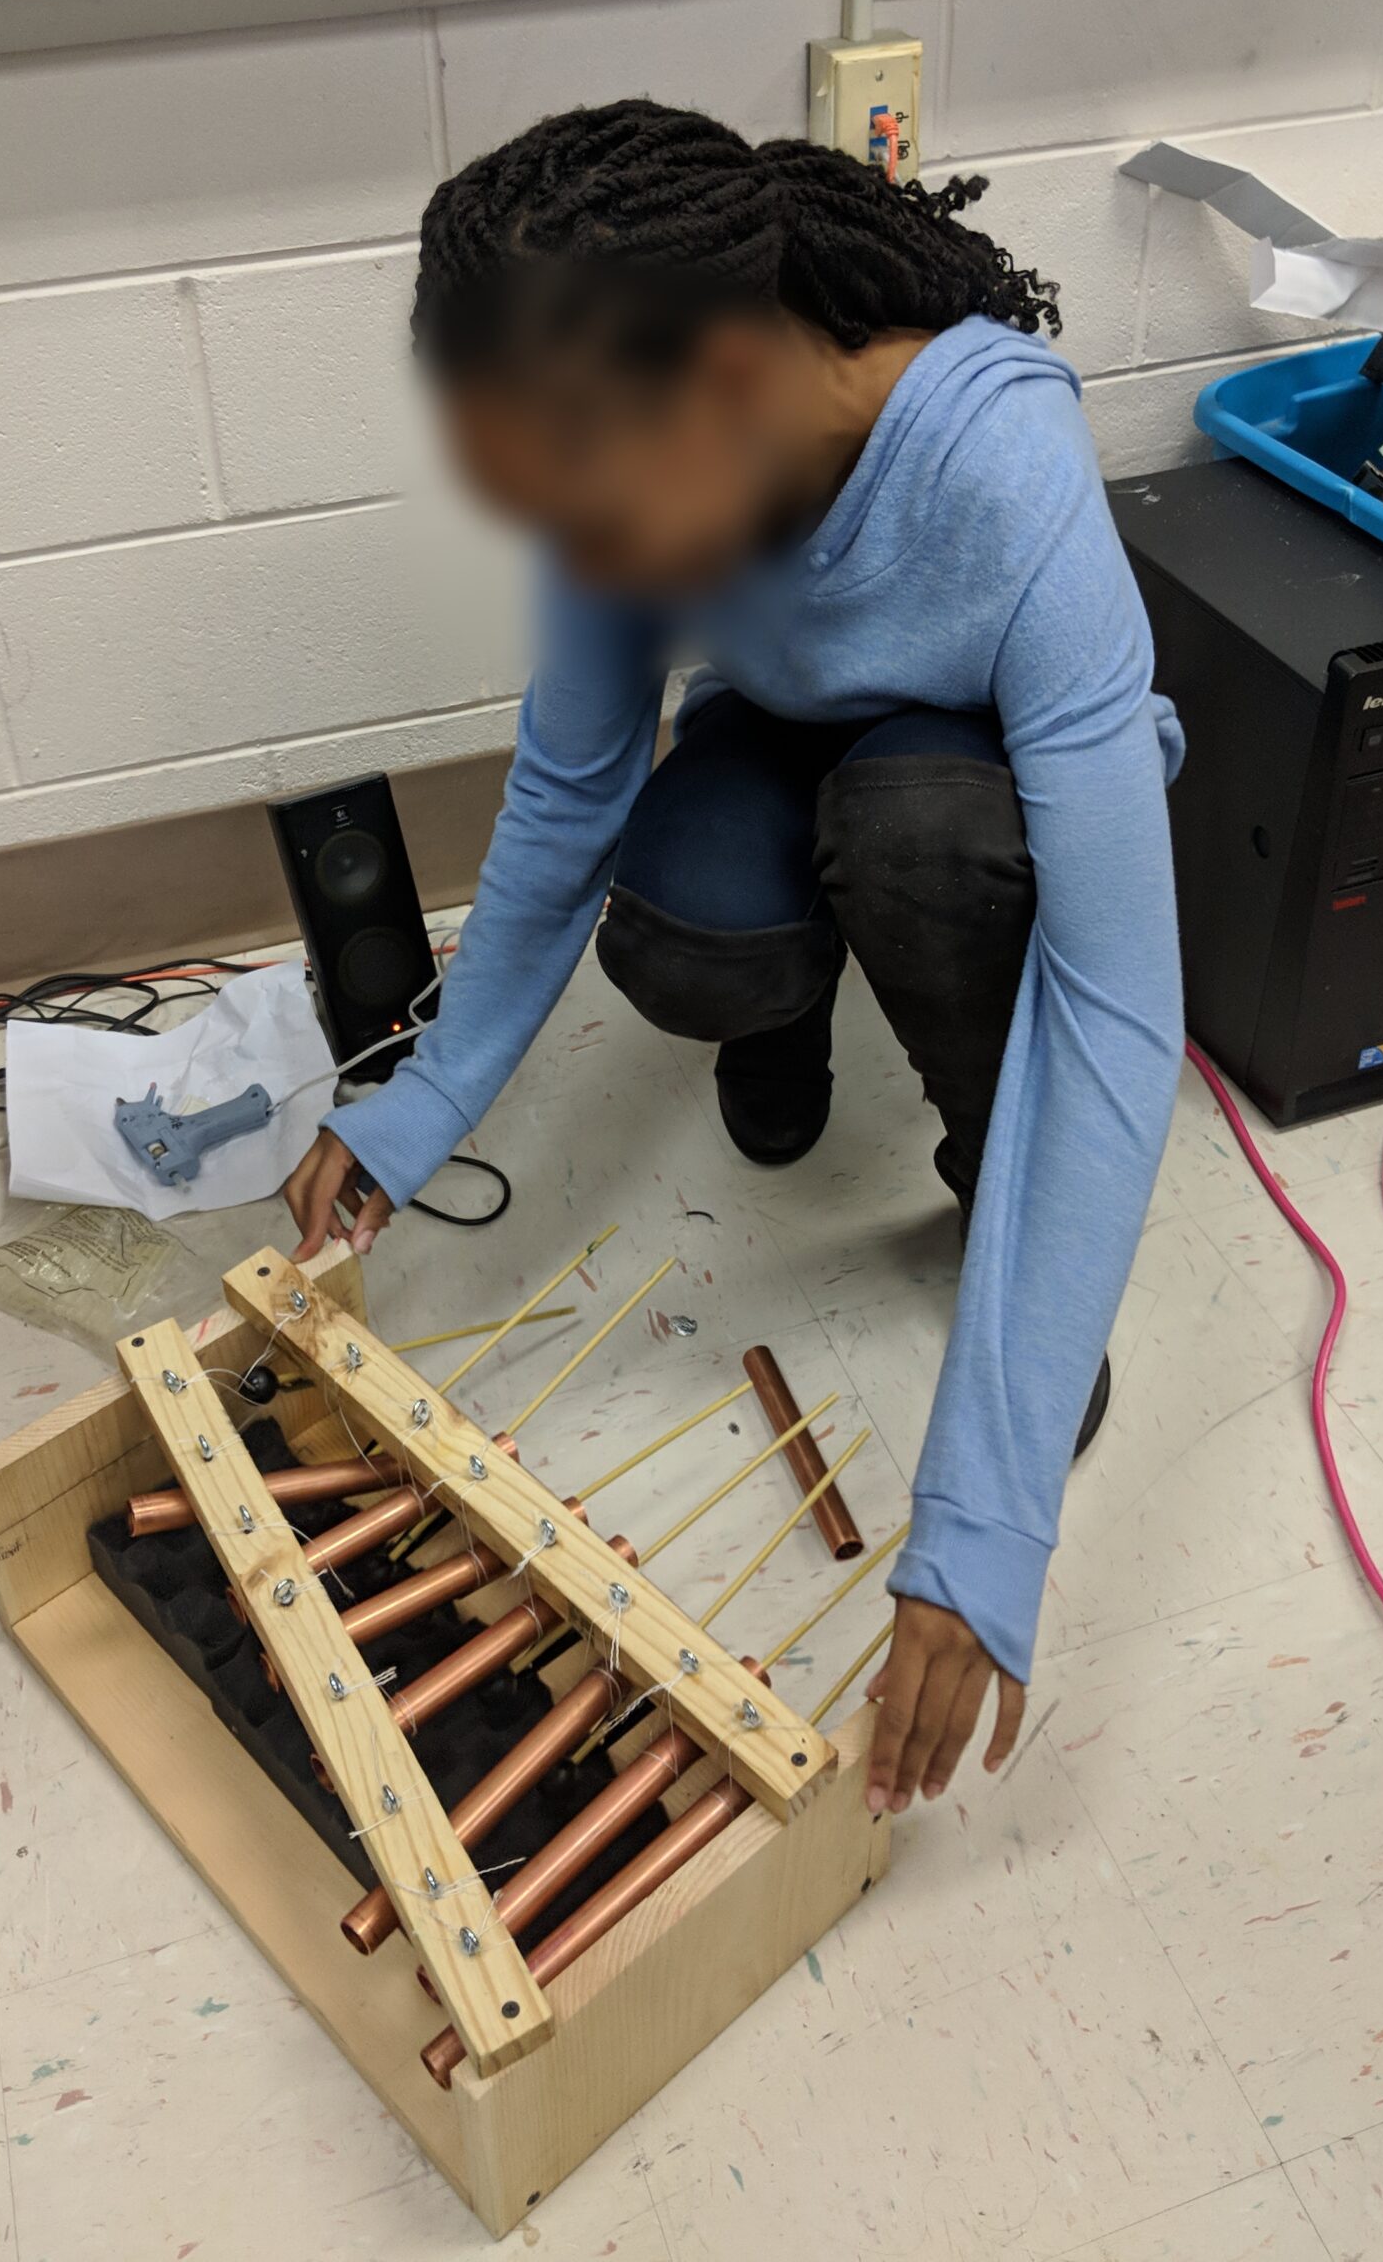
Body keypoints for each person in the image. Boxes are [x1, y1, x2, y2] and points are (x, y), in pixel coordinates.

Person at [284, 101, 1183, 1819]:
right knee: (689, 927)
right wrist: (426, 1097)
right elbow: (568, 792)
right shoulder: (618, 448)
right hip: (781, 734)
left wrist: (986, 1515)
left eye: (600, 519)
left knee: (922, 847)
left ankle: (998, 1183)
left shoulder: (1006, 477)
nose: (583, 563)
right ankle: (788, 1004)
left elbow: (1120, 1002)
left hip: (955, 783)